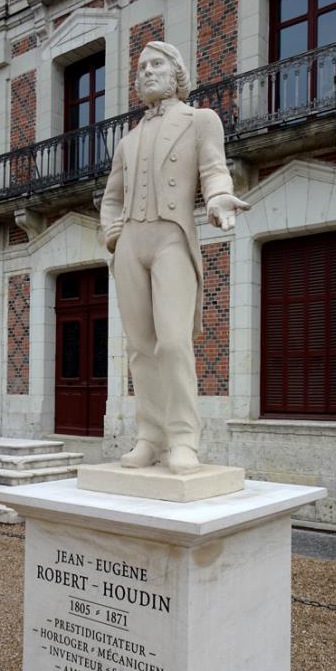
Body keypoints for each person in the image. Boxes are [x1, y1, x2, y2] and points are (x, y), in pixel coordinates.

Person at [100, 41, 249, 474]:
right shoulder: (127, 141)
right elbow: (111, 199)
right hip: (130, 244)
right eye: (142, 66)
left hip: (172, 238)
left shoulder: (200, 120)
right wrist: (111, 232)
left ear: (176, 72)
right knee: (140, 348)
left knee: (173, 342)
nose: (146, 72)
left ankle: (184, 439)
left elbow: (214, 168)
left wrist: (219, 198)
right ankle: (150, 436)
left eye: (156, 64)